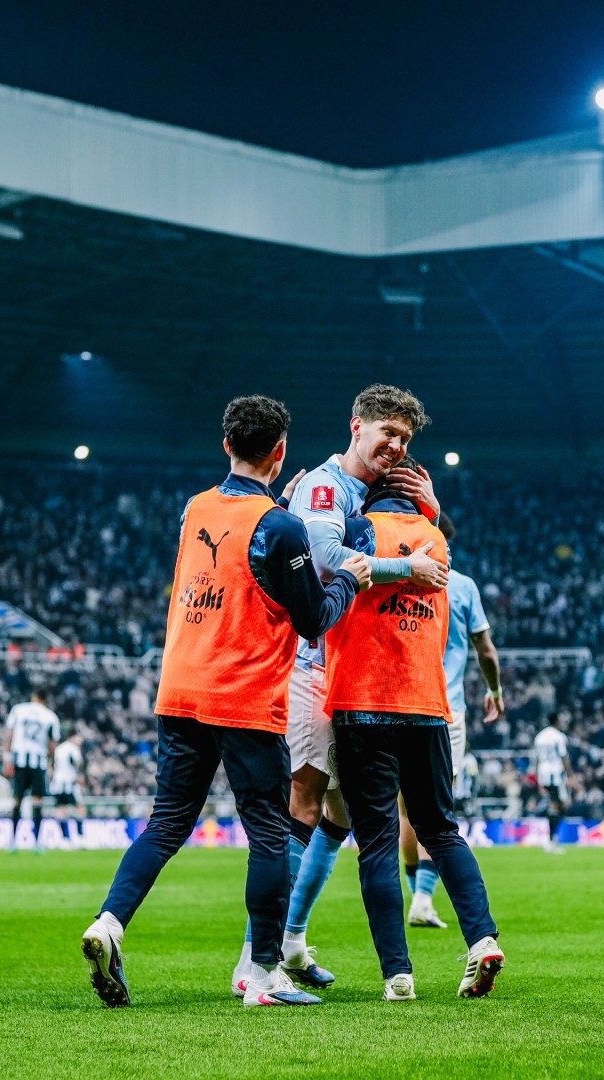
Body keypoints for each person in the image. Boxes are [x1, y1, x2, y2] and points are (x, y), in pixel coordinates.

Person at [81, 395, 366, 1010]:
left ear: (226, 445)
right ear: (282, 451)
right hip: (242, 698)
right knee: (268, 833)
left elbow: (241, 556)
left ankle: (108, 923)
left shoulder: (194, 509)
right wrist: (351, 578)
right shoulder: (280, 526)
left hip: (179, 689)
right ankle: (262, 975)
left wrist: (279, 513)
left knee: (165, 824)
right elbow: (314, 618)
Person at [237, 382, 444, 995]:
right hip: (309, 664)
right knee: (302, 802)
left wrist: (428, 515)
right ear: (357, 427)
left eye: (405, 438)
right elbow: (326, 560)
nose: (396, 447)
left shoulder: (367, 493)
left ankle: (293, 944)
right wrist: (407, 567)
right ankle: (258, 963)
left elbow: (412, 547)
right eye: (388, 434)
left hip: (349, 669)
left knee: (340, 811)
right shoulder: (326, 487)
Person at [326, 469, 505, 1002]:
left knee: (378, 840)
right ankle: (483, 938)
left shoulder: (356, 531)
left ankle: (397, 975)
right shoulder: (438, 543)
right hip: (428, 707)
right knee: (442, 830)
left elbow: (325, 571)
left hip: (364, 702)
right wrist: (432, 509)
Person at [405, 511, 502, 929]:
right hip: (445, 709)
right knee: (437, 810)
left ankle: (417, 896)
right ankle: (424, 899)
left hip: (398, 702)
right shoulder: (461, 586)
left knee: (405, 809)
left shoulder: (400, 577)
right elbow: (485, 650)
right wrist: (495, 691)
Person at [4, 690, 60, 853]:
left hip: (20, 760)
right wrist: (52, 764)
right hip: (39, 762)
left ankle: (12, 841)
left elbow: (10, 734)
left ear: (34, 697)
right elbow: (52, 744)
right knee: (37, 801)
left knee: (16, 800)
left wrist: (7, 758)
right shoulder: (50, 716)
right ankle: (37, 843)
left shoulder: (19, 709)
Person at [533, 715, 570, 854]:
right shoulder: (559, 737)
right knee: (560, 805)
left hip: (543, 773)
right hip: (555, 774)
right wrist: (571, 776)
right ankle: (551, 841)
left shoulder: (539, 737)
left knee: (556, 805)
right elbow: (563, 757)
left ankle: (551, 840)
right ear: (556, 721)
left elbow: (536, 758)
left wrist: (537, 777)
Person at [51, 731, 85, 821]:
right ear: (72, 737)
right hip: (70, 782)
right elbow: (77, 763)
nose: (80, 741)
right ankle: (80, 832)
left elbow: (52, 765)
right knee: (80, 806)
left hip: (57, 781)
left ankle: (64, 833)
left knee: (61, 807)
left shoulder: (59, 748)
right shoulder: (73, 748)